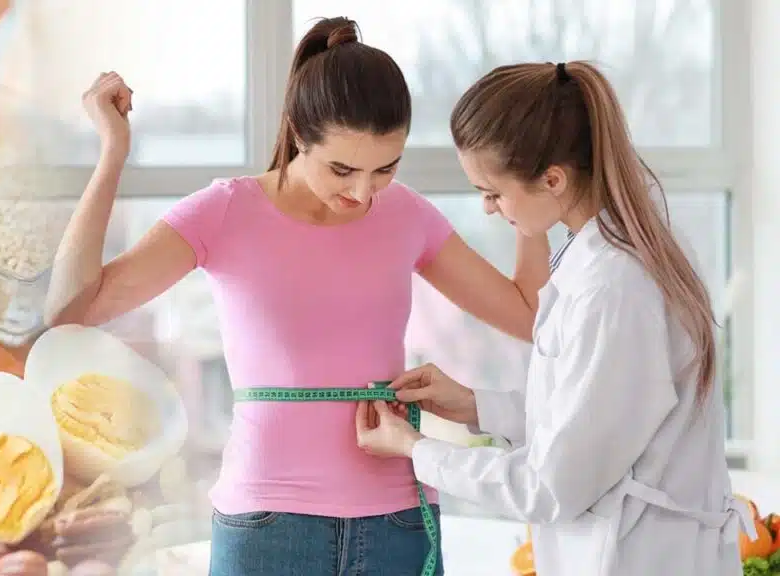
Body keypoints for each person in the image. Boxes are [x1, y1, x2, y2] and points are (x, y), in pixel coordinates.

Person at [44, 17, 549, 576]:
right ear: (298, 134)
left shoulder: (405, 214)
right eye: (342, 168)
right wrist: (113, 153)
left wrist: (529, 200)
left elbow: (530, 316)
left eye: (385, 168)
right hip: (267, 523)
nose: (362, 192)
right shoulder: (226, 213)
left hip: (397, 521)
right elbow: (72, 311)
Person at [354, 61, 755, 576]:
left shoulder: (614, 287)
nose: (489, 209)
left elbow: (550, 484)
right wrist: (478, 407)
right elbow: (598, 415)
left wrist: (414, 449)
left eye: (494, 192)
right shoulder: (616, 250)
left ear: (553, 179)